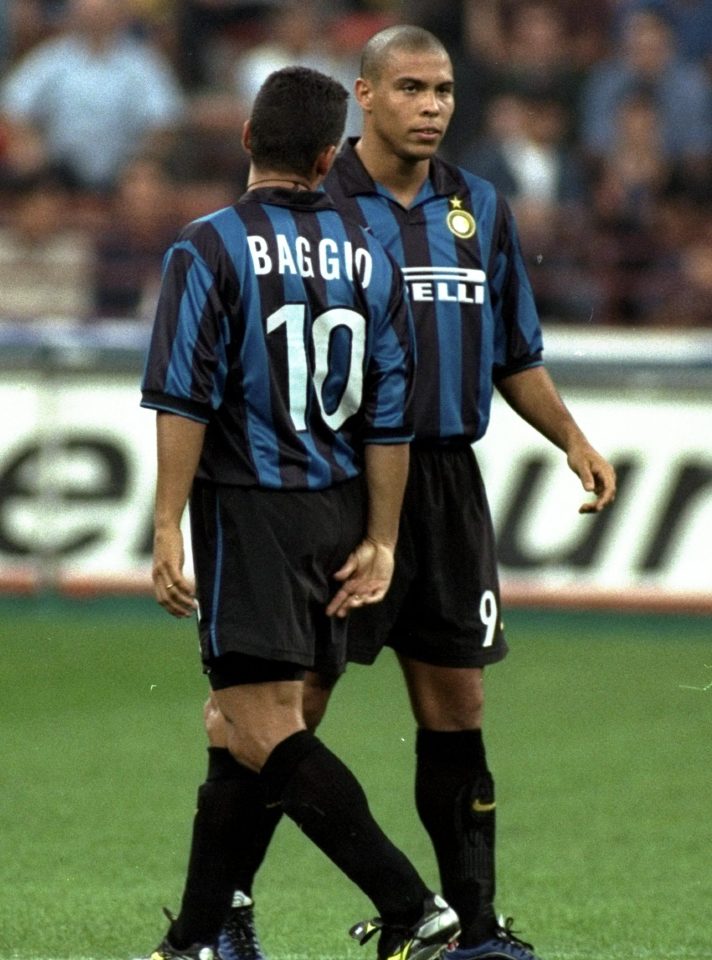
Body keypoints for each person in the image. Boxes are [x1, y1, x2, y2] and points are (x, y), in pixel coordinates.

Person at [141, 24, 617, 960]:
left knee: (455, 708)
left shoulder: (478, 206)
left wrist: (571, 438)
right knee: (277, 715)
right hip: (348, 482)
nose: (434, 106)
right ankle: (227, 920)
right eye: (412, 88)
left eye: (443, 90)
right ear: (360, 101)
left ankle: (468, 928)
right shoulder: (330, 211)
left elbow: (515, 354)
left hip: (438, 490)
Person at [138, 64, 460, 960]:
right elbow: (392, 412)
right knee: (235, 726)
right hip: (341, 510)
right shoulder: (374, 249)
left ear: (245, 138)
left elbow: (182, 401)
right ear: (330, 156)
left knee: (259, 724)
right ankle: (200, 939)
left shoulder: (207, 246)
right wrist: (383, 538)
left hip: (253, 512)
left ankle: (411, 905)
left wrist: (167, 525)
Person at [0, 0, 184, 193]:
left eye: (103, 11)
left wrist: (145, 158)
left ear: (120, 15)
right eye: (91, 11)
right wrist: (30, 141)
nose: (96, 18)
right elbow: (10, 105)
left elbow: (166, 118)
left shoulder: (142, 62)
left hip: (125, 169)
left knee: (145, 183)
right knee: (27, 170)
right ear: (76, 13)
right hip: (59, 169)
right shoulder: (51, 58)